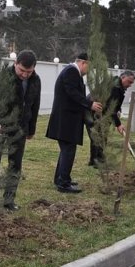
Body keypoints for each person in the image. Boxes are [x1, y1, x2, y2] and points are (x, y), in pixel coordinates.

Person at [0, 50, 41, 211]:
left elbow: (35, 105)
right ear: (15, 64)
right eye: (22, 70)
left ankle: (9, 201)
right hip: (0, 126)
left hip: (20, 128)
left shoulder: (35, 80)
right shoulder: (2, 76)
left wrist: (31, 128)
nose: (25, 75)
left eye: (29, 71)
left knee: (15, 164)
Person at [46, 53, 103, 193]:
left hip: (67, 119)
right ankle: (63, 183)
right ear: (84, 63)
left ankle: (60, 178)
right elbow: (72, 93)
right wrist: (89, 104)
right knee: (68, 150)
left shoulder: (72, 72)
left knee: (66, 149)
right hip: (66, 119)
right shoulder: (71, 71)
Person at [86, 70, 135, 166]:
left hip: (97, 110)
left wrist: (118, 110)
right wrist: (118, 124)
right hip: (93, 110)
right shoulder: (115, 87)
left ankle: (94, 160)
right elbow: (110, 108)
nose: (130, 85)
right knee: (100, 136)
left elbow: (114, 103)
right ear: (123, 77)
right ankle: (99, 161)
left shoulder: (117, 85)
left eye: (132, 83)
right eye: (129, 82)